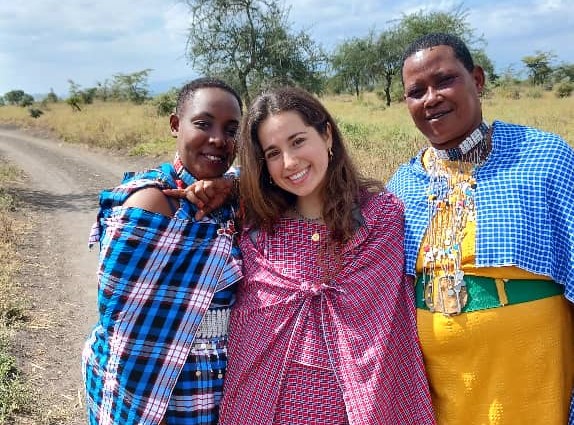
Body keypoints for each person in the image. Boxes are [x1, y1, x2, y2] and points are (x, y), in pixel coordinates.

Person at [216, 86, 435, 424]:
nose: (289, 162)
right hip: (262, 409)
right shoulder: (255, 229)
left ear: (327, 134)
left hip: (358, 409)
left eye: (298, 141)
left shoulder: (381, 219)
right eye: (272, 153)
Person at [386, 32, 574, 424]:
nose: (431, 98)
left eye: (445, 80)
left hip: (530, 376)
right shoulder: (403, 184)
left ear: (478, 79)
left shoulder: (544, 157)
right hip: (444, 388)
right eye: (416, 91)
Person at [81, 77, 243, 425]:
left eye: (231, 129)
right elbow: (123, 326)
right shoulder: (152, 203)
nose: (218, 139)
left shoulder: (230, 198)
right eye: (203, 124)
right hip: (158, 388)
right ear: (175, 125)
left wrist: (231, 186)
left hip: (218, 383)